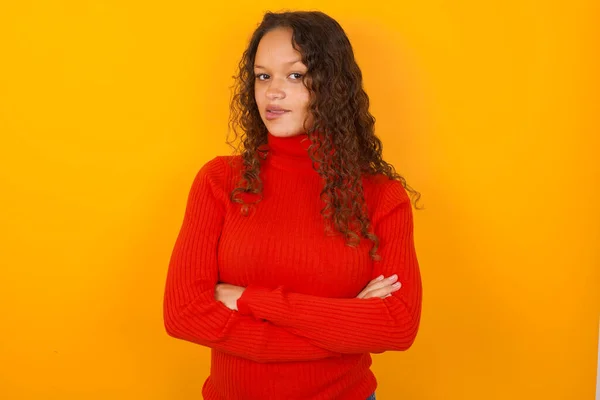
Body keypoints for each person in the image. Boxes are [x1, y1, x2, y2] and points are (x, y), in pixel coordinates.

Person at [163, 10, 423, 400]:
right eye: (263, 75)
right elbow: (183, 315)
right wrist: (343, 327)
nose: (273, 92)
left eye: (296, 75)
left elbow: (397, 326)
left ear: (332, 85)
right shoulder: (220, 181)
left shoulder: (381, 196)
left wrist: (250, 299)